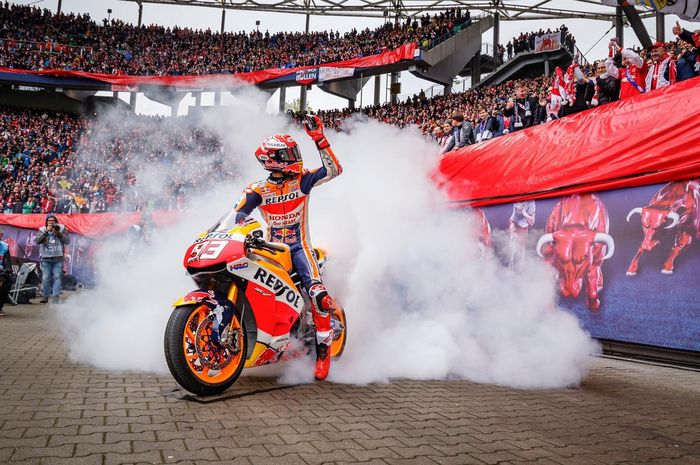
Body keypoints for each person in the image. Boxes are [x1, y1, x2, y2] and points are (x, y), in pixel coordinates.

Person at [233, 115, 342, 381]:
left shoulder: (303, 180)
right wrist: (245, 231)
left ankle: (323, 354)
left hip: (300, 249)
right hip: (272, 249)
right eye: (288, 153)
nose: (294, 156)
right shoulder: (256, 189)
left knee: (318, 295)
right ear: (272, 160)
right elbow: (237, 217)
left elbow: (334, 170)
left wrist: (319, 138)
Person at [36, 214, 70, 304]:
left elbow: (67, 241)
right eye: (49, 221)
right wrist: (46, 232)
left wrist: (58, 234)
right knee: (46, 278)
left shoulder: (62, 229)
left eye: (53, 220)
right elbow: (38, 241)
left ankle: (55, 297)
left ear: (56, 221)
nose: (51, 222)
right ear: (46, 222)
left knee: (57, 277)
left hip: (58, 258)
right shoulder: (42, 229)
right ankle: (46, 296)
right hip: (46, 258)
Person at [0, 230, 12, 317]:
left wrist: (3, 276)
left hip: (0, 271)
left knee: (8, 282)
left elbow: (7, 263)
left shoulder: (4, 246)